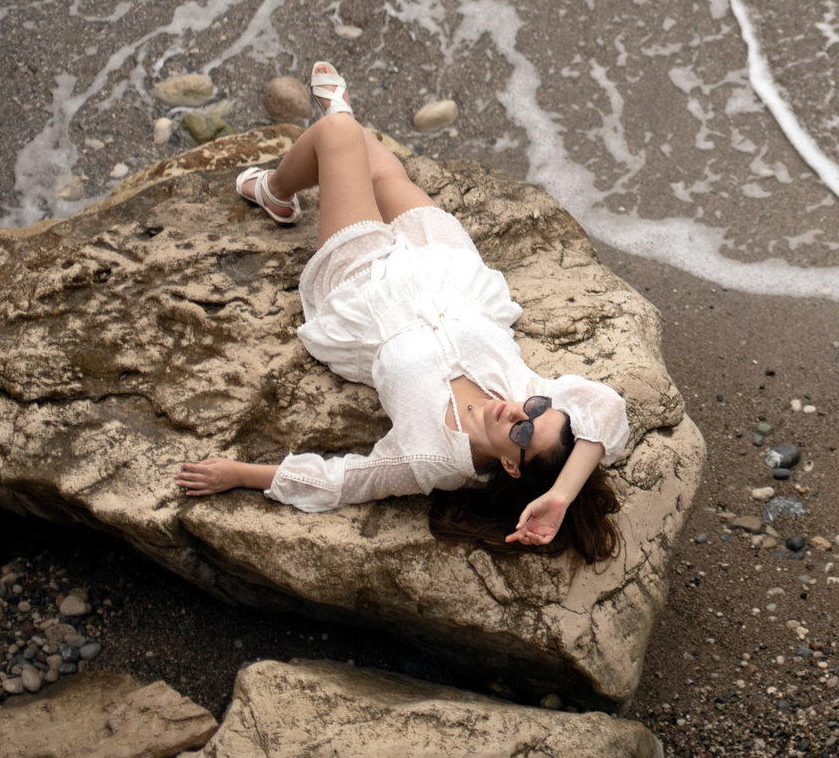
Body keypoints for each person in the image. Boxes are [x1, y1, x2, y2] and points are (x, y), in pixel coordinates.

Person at [174, 63, 627, 562]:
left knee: (342, 134)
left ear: (512, 468)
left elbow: (344, 480)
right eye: (537, 412)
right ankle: (325, 145)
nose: (521, 411)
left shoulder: (428, 457)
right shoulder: (531, 396)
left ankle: (278, 191)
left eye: (522, 431)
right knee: (384, 168)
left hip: (367, 290)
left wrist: (239, 475)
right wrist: (562, 495)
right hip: (448, 270)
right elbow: (607, 411)